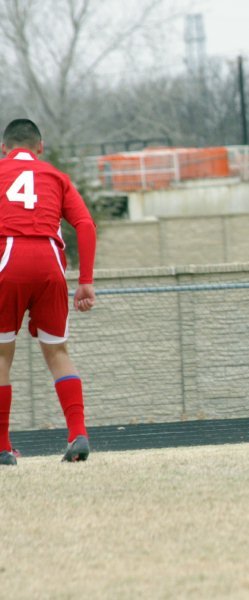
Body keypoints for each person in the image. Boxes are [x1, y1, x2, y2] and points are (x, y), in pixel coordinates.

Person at [0, 118, 97, 465]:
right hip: (50, 261)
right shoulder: (56, 177)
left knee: (0, 355)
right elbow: (85, 224)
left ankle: (2, 447)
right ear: (39, 147)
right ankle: (78, 434)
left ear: (4, 148)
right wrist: (85, 280)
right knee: (57, 352)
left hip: (7, 256)